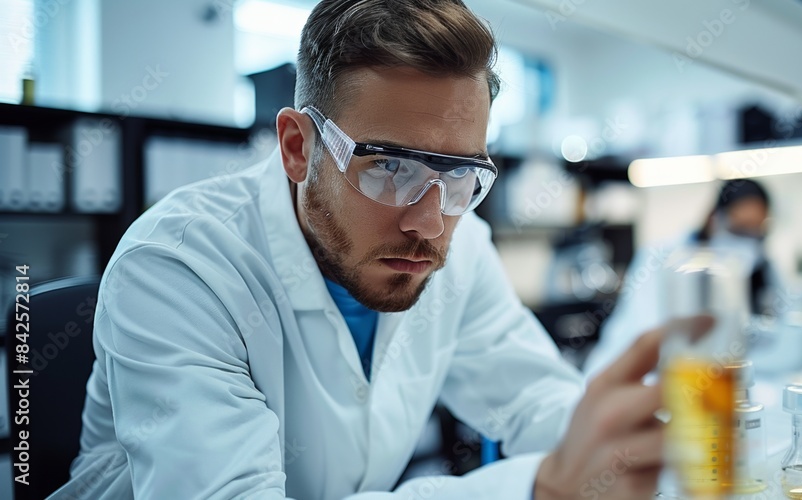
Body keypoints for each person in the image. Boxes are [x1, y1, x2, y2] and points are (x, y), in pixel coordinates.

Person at [50, 1, 711, 498]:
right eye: (390, 167)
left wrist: (632, 449)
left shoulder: (463, 249)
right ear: (298, 148)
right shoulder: (179, 267)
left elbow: (536, 401)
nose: (429, 222)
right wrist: (538, 487)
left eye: (461, 176)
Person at [584, 178, 802, 379]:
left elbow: (796, 326)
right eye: (739, 229)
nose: (748, 241)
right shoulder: (663, 257)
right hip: (629, 379)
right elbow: (650, 335)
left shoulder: (762, 266)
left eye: (757, 232)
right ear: (714, 219)